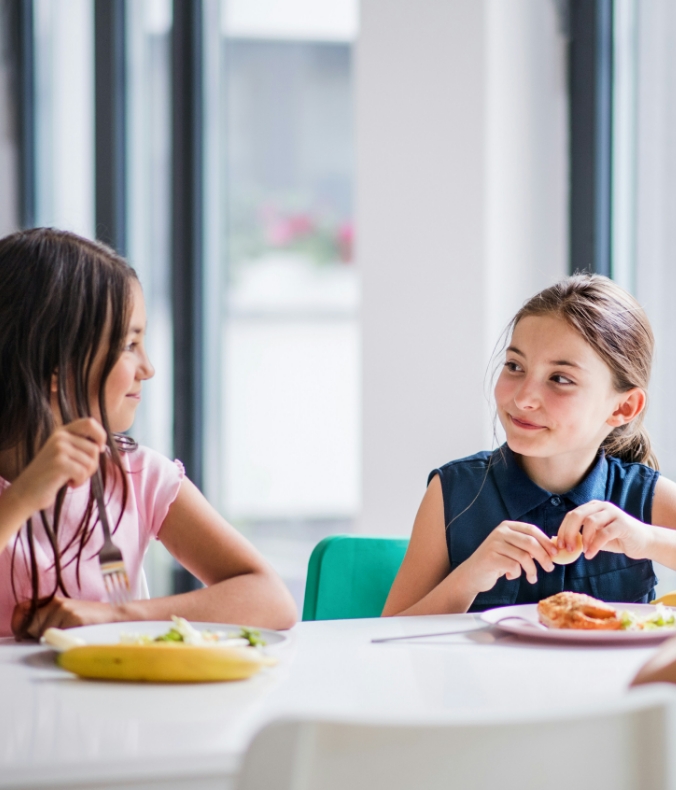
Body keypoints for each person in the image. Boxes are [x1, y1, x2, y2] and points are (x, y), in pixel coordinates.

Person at [0, 228, 297, 639]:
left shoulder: (137, 477)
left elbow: (271, 599)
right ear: (57, 365)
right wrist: (21, 499)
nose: (148, 368)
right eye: (129, 344)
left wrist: (112, 614)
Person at [383, 274, 676, 616]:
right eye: (514, 366)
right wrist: (469, 577)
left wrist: (647, 541)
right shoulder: (453, 493)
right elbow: (387, 636)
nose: (523, 398)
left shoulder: (645, 497)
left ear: (623, 407)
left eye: (560, 379)